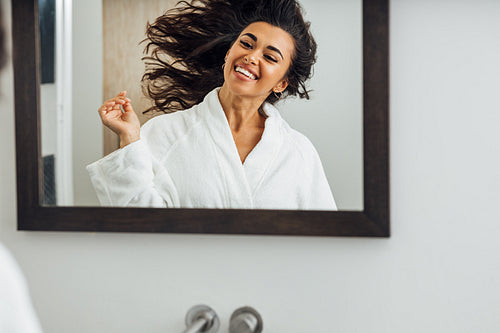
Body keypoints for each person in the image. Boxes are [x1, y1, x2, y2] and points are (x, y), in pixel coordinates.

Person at [87, 0, 336, 210]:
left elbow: (323, 239)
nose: (251, 56)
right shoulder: (165, 133)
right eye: (246, 44)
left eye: (270, 57)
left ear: (281, 83)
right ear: (229, 53)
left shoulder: (298, 152)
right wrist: (130, 138)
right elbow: (139, 223)